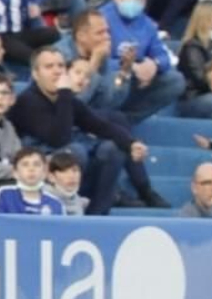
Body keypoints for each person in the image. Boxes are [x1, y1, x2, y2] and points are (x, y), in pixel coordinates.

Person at [12, 48, 160, 214]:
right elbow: (58, 139)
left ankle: (97, 214)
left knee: (113, 149)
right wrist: (65, 93)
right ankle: (67, 211)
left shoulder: (65, 99)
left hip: (68, 169)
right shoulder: (27, 101)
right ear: (36, 74)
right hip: (39, 171)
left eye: (60, 66)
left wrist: (131, 143)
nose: (57, 71)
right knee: (75, 152)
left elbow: (99, 125)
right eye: (49, 67)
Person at [101, 0, 191, 122]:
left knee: (175, 80)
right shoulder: (101, 18)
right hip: (108, 79)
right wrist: (130, 67)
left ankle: (126, 120)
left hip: (137, 81)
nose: (132, 0)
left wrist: (154, 65)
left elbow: (163, 57)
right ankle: (102, 120)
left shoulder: (148, 24)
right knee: (117, 78)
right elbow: (94, 61)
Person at [0, 147, 64, 215]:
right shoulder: (4, 194)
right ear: (15, 173)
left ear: (44, 172)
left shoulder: (56, 203)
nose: (31, 169)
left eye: (36, 164)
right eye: (25, 164)